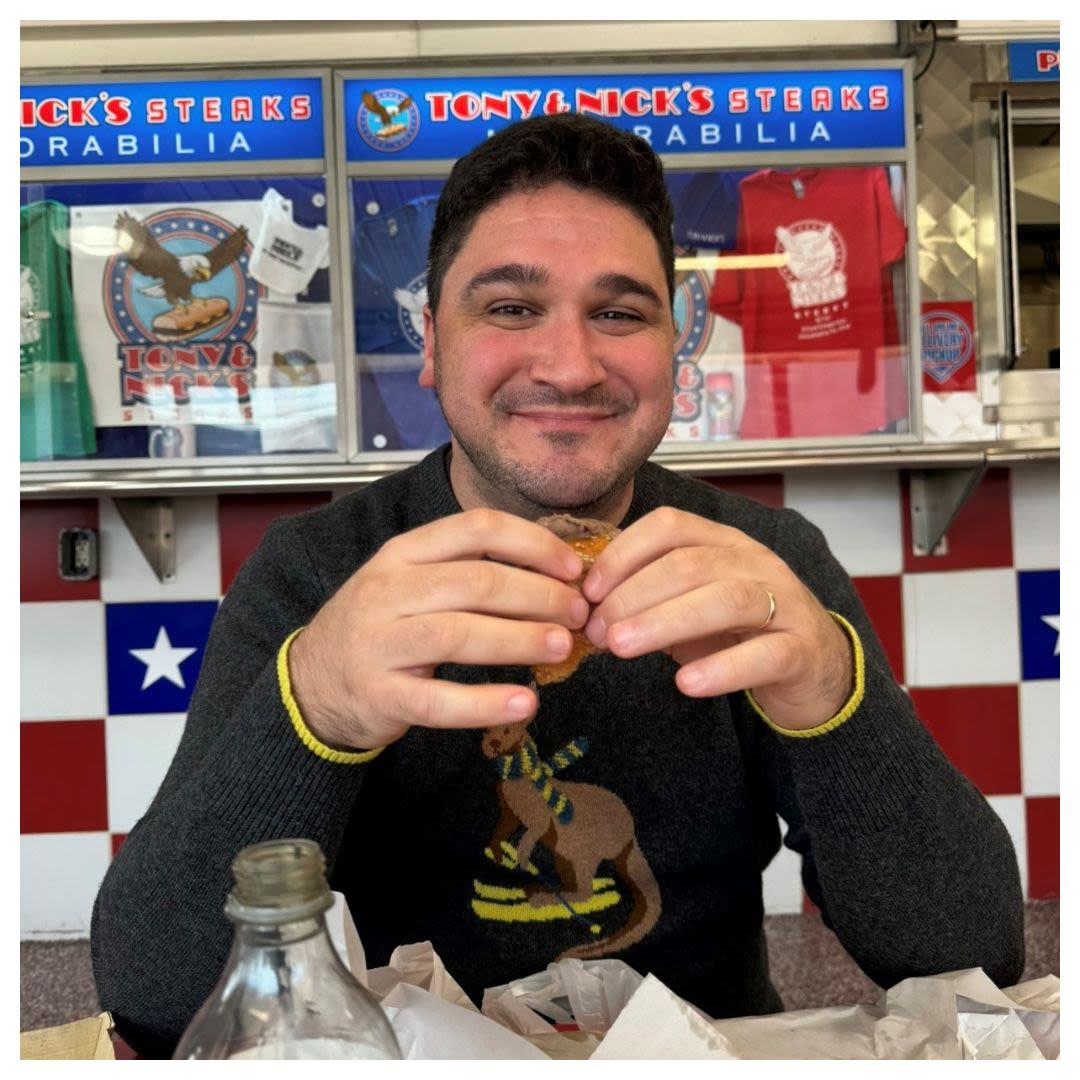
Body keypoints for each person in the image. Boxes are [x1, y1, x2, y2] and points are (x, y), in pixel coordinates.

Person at [91, 113, 1025, 1058]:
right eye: (508, 308)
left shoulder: (763, 562)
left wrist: (834, 697)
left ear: (674, 345)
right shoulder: (315, 573)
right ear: (430, 343)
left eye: (620, 313)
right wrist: (315, 703)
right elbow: (152, 999)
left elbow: (975, 962)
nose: (571, 366)